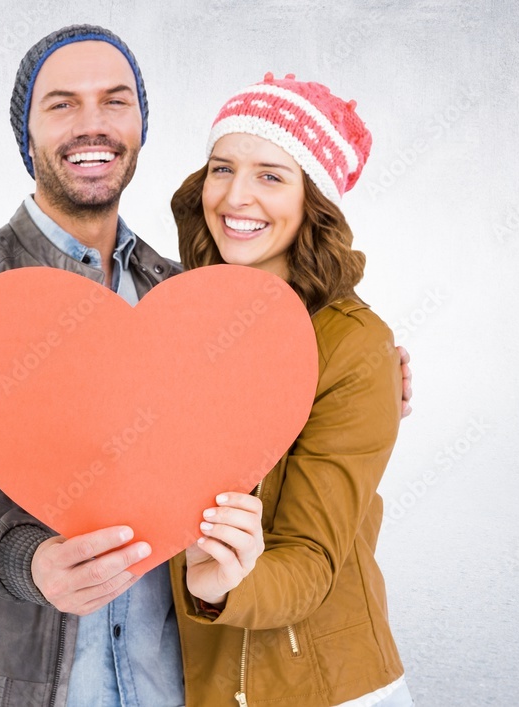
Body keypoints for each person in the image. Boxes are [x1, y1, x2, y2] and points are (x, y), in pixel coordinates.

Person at [0, 25, 413, 706]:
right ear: (26, 133)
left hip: (172, 681)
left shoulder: (187, 297)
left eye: (115, 101)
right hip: (13, 684)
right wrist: (29, 558)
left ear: (141, 126)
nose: (92, 125)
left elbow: (277, 385)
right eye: (61, 104)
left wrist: (366, 372)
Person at [167, 74, 414, 706]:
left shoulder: (353, 347)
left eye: (272, 175)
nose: (235, 196)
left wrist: (221, 584)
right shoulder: (177, 320)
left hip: (322, 688)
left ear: (314, 202)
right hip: (197, 684)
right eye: (221, 168)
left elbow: (310, 561)